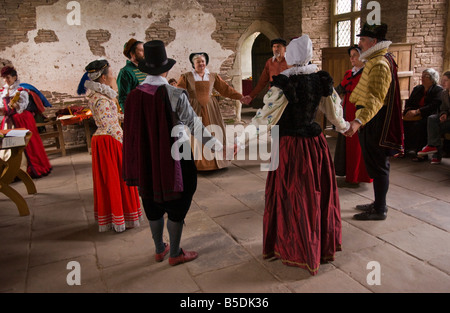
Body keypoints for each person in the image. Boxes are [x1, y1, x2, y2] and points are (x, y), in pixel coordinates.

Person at [123, 40, 231, 265]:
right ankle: (175, 253)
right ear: (166, 69)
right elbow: (196, 128)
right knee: (180, 198)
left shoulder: (133, 97)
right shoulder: (175, 94)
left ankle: (159, 248)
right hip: (177, 154)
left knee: (150, 197)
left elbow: (132, 131)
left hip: (147, 155)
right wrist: (220, 148)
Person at [260, 35, 349, 276]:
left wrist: (241, 139)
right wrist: (345, 128)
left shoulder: (283, 85)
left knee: (292, 197)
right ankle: (317, 247)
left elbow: (265, 117)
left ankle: (294, 247)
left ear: (291, 56)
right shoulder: (320, 80)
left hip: (290, 147)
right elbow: (334, 112)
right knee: (315, 195)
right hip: (314, 145)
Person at [344, 22, 404, 221]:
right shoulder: (375, 59)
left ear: (374, 42)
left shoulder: (379, 63)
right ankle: (378, 203)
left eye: (362, 40)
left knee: (378, 166)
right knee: (376, 165)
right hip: (372, 120)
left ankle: (380, 209)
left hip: (375, 121)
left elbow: (375, 98)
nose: (359, 44)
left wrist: (358, 121)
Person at [80, 59, 143, 232]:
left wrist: (129, 117)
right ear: (103, 78)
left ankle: (117, 215)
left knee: (113, 180)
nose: (113, 76)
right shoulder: (100, 99)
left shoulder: (98, 95)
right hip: (110, 141)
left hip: (106, 139)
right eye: (111, 74)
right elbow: (109, 125)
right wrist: (125, 141)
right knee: (117, 180)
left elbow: (111, 119)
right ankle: (121, 215)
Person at [177, 52, 244, 171]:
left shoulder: (213, 76)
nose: (201, 64)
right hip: (194, 108)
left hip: (211, 109)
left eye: (203, 61)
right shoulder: (186, 76)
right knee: (196, 134)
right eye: (198, 62)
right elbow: (178, 92)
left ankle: (218, 162)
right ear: (193, 64)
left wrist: (240, 97)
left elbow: (225, 89)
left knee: (214, 131)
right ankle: (198, 164)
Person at [0, 66, 52, 178]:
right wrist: (2, 110)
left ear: (14, 77)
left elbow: (21, 108)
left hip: (22, 119)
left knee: (27, 144)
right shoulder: (3, 91)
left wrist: (16, 105)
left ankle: (25, 169)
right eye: (4, 78)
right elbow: (3, 108)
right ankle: (10, 170)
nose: (6, 80)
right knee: (7, 144)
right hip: (8, 120)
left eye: (8, 77)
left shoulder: (21, 91)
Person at [334, 45, 373, 185]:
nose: (352, 58)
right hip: (346, 111)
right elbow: (340, 89)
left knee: (357, 144)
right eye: (350, 55)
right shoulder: (349, 73)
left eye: (355, 55)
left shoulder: (367, 73)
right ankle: (347, 173)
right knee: (346, 143)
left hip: (358, 111)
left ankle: (356, 176)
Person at [402, 68, 443, 161]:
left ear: (432, 78)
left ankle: (420, 153)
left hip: (427, 115)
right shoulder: (418, 89)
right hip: (414, 113)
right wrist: (408, 111)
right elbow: (409, 102)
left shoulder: (438, 90)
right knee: (404, 123)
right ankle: (406, 149)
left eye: (426, 76)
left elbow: (434, 105)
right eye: (422, 75)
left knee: (420, 125)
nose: (422, 77)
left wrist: (418, 111)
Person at [241, 38, 288, 105]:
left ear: (285, 48)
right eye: (274, 47)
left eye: (278, 46)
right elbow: (262, 82)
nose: (276, 49)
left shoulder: (290, 62)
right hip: (273, 95)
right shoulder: (269, 62)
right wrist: (251, 96)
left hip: (287, 96)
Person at [417, 71, 450, 164]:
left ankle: (436, 153)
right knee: (432, 119)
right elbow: (444, 108)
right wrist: (444, 114)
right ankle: (432, 146)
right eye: (442, 80)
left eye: (446, 80)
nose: (443, 82)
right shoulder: (444, 93)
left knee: (435, 127)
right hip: (448, 119)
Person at [116, 38, 147, 112]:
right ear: (132, 54)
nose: (145, 53)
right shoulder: (125, 72)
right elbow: (123, 98)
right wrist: (131, 117)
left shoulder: (146, 69)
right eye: (141, 50)